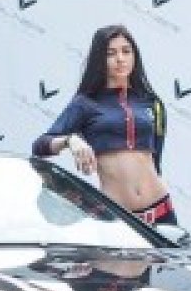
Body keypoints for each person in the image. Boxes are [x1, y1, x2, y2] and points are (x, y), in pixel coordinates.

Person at [31, 25, 176, 226]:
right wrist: (70, 141)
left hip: (162, 212)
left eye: (126, 51)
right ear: (100, 59)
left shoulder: (152, 102)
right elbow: (39, 146)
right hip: (118, 220)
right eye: (111, 53)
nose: (120, 58)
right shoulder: (85, 103)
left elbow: (156, 160)